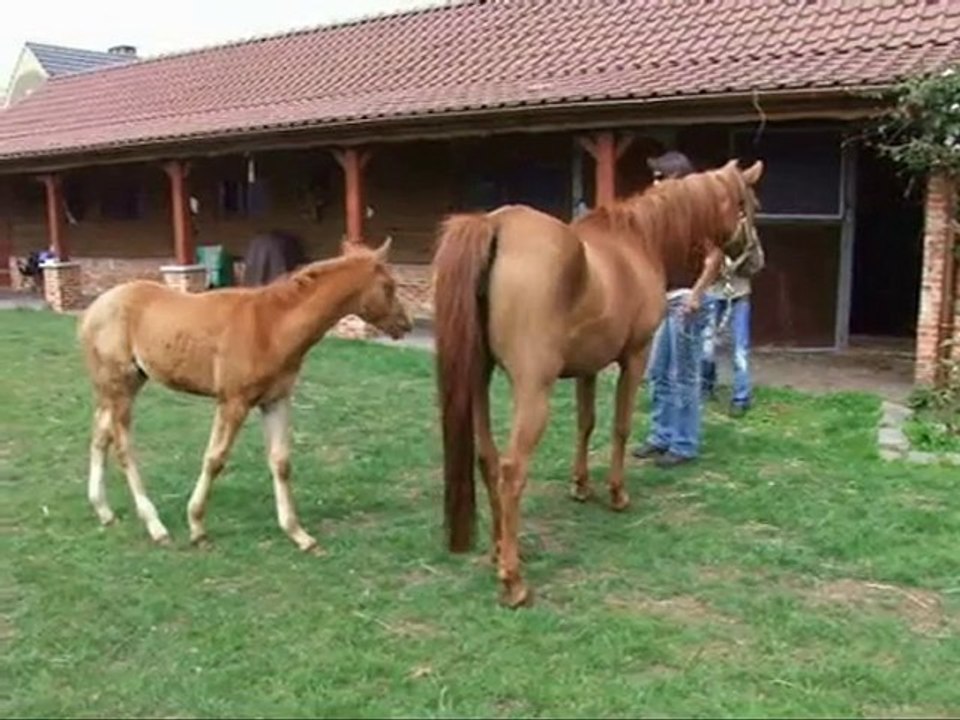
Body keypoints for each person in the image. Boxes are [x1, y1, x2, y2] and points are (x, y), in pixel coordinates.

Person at [632, 150, 723, 467]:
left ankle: (684, 445)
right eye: (654, 177)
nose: (654, 182)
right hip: (664, 301)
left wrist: (696, 295)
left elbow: (714, 259)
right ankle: (661, 436)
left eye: (661, 177)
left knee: (684, 376)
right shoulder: (662, 219)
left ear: (678, 179)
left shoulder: (698, 217)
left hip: (688, 304)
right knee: (659, 374)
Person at [701, 234, 765, 417]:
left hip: (739, 295)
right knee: (706, 348)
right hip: (712, 292)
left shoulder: (746, 232)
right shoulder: (709, 230)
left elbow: (757, 264)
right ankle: (705, 386)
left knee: (739, 350)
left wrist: (747, 253)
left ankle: (741, 398)